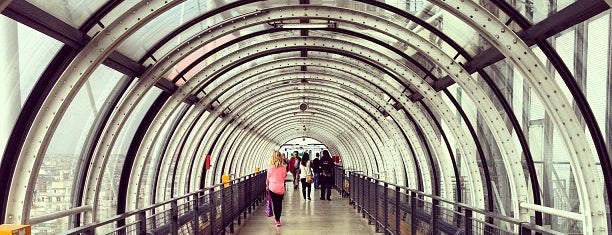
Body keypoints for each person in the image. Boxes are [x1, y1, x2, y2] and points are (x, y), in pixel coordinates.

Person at [266, 150, 287, 227]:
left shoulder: (270, 168)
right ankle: (278, 218)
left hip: (272, 188)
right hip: (280, 188)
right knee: (279, 204)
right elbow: (284, 177)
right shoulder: (283, 167)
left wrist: (267, 185)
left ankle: (277, 220)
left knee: (275, 204)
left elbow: (268, 178)